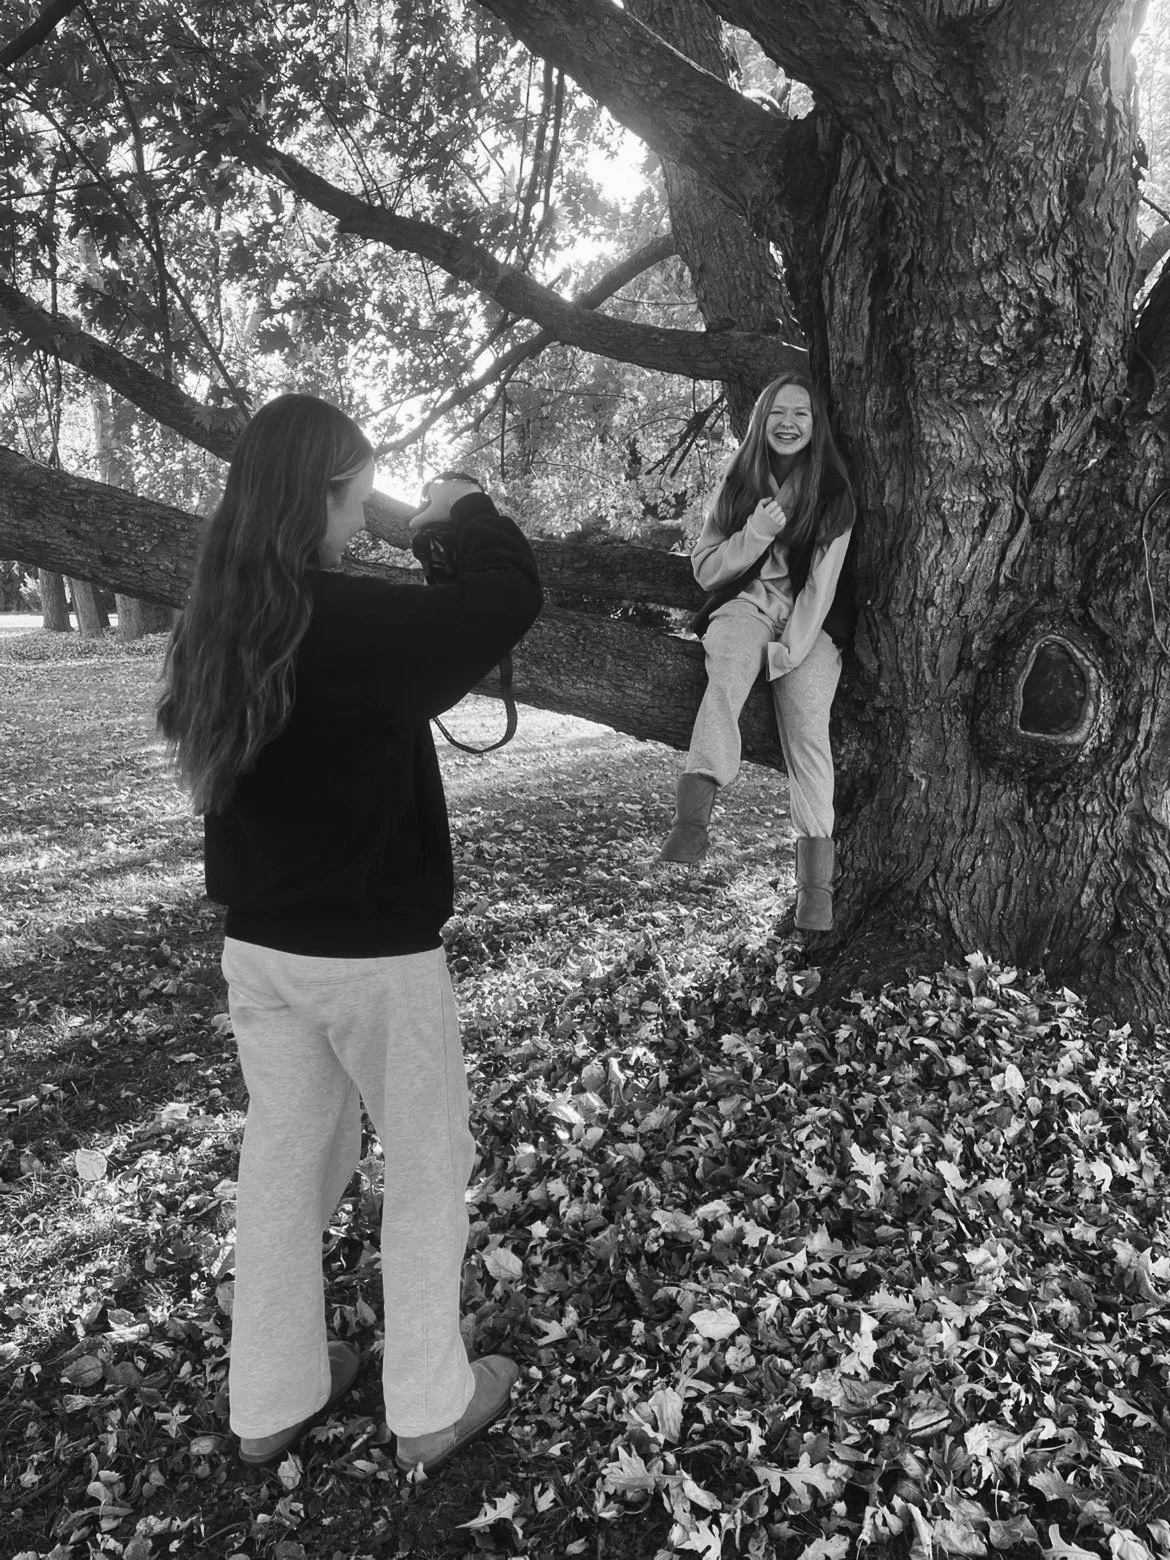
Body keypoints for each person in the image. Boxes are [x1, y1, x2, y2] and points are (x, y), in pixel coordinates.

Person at [156, 393, 542, 1475]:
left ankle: (269, 1399)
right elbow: (507, 596)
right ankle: (428, 1403)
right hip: (375, 958)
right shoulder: (348, 625)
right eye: (357, 490)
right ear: (327, 497)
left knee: (286, 1160)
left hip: (262, 952)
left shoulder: (222, 619)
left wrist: (387, 520)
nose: (367, 509)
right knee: (427, 1162)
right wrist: (455, 514)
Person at [658, 372, 857, 931]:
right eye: (778, 413)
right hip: (745, 605)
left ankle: (815, 889)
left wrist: (789, 655)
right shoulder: (739, 480)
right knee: (727, 672)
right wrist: (756, 532)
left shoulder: (835, 494)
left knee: (808, 728)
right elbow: (705, 570)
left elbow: (821, 586)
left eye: (801, 414)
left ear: (816, 427)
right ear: (761, 420)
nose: (789, 423)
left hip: (810, 624)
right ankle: (693, 822)